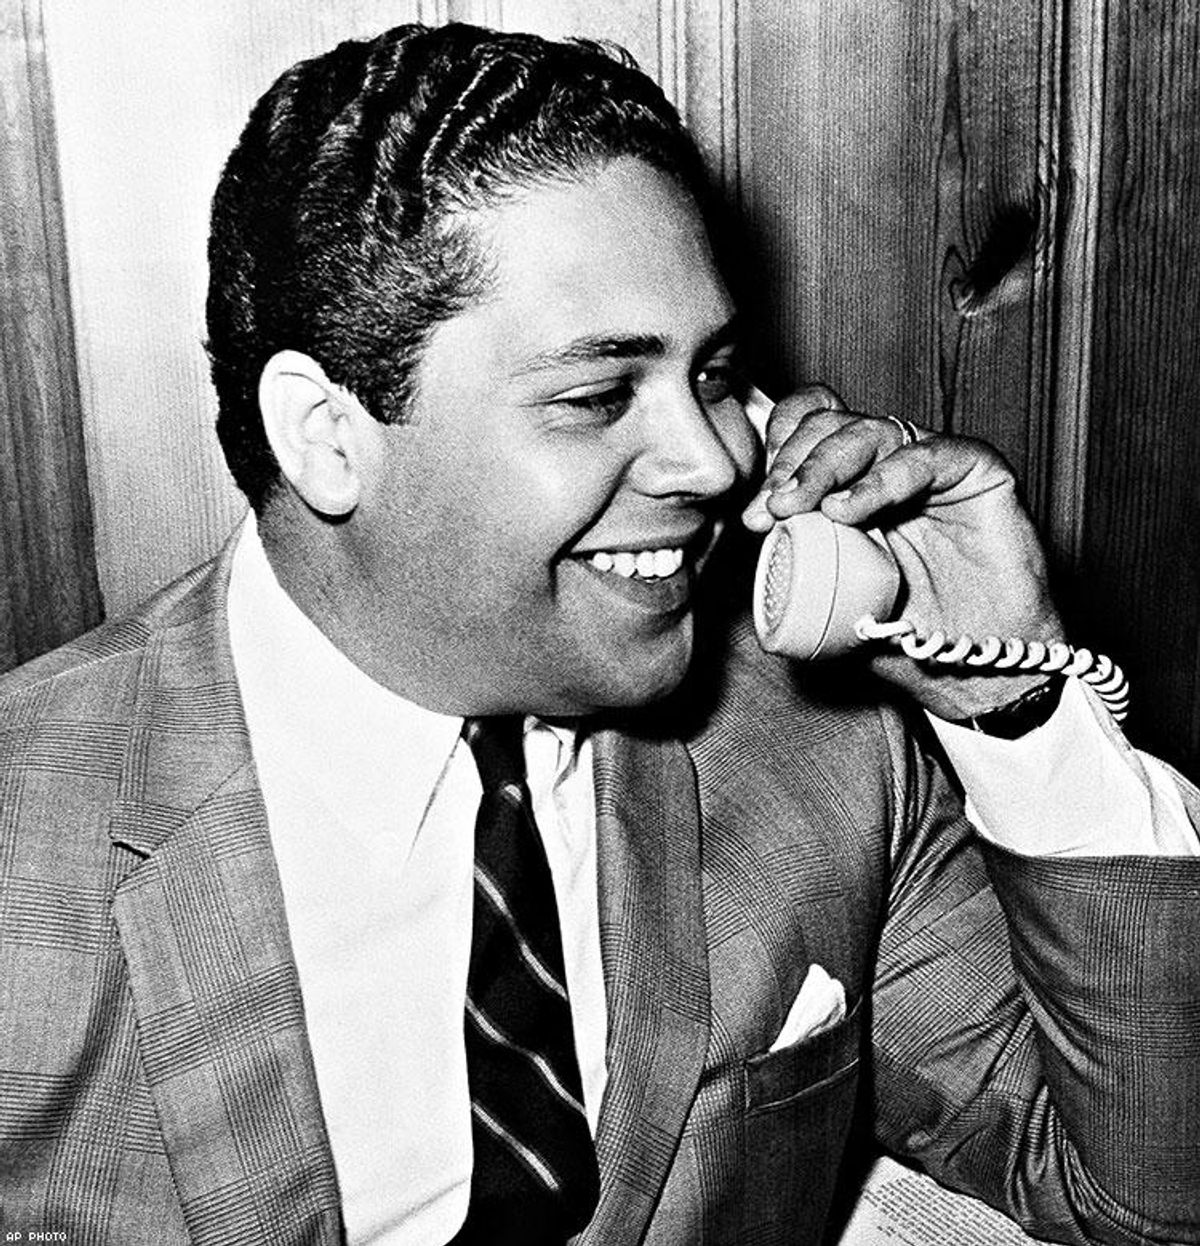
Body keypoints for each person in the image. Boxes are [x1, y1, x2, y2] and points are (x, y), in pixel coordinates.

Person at [1, 21, 1197, 1246]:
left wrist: (1011, 695)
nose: (715, 459)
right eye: (595, 395)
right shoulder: (23, 849)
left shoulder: (816, 745)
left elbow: (1149, 1195)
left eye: (713, 375)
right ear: (325, 434)